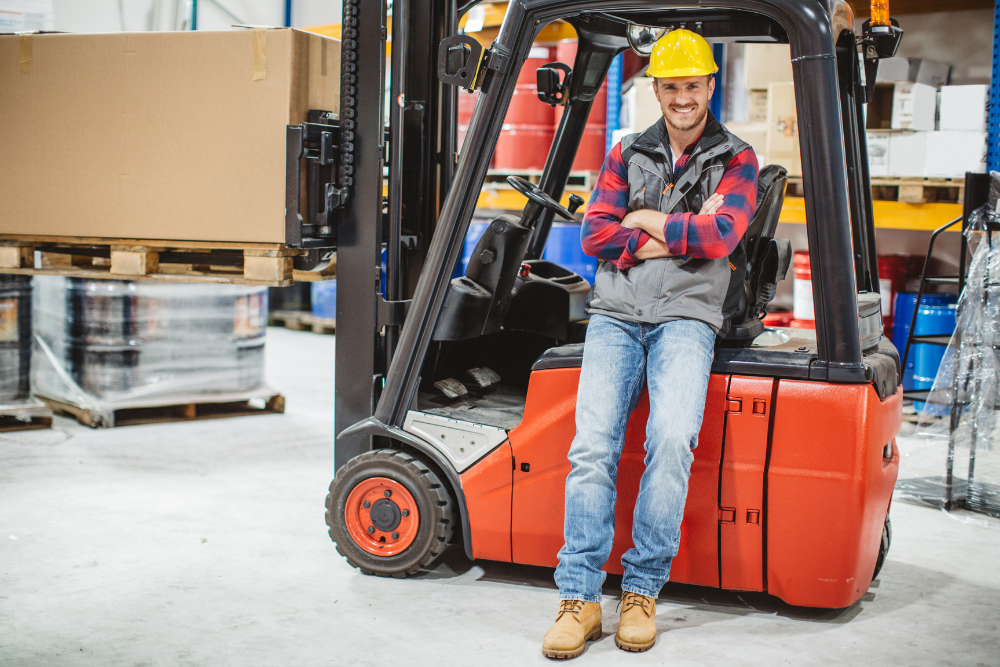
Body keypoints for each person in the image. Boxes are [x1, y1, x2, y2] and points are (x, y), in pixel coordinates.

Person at [541, 29, 759, 659]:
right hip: (616, 313)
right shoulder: (627, 151)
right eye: (671, 87)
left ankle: (640, 591)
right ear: (656, 89)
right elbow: (594, 234)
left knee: (670, 440)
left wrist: (641, 221)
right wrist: (665, 235)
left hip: (686, 318)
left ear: (709, 87)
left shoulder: (736, 159)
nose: (682, 98)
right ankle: (579, 598)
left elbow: (721, 236)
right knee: (591, 448)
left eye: (692, 86)